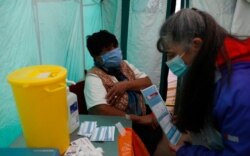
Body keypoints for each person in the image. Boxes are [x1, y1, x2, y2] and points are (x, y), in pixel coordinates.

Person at [157, 8, 250, 155]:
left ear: (196, 44)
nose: (170, 62)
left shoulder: (240, 91)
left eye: (172, 55)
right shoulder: (213, 69)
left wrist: (187, 152)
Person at [84, 30, 168, 156]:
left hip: (141, 113)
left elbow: (147, 82)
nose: (114, 51)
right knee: (152, 140)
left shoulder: (125, 65)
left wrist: (125, 85)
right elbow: (101, 110)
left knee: (165, 126)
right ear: (97, 57)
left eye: (115, 46)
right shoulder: (93, 77)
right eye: (108, 49)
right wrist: (139, 119)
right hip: (123, 125)